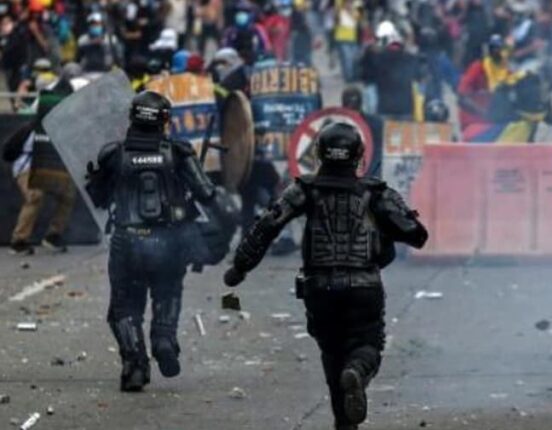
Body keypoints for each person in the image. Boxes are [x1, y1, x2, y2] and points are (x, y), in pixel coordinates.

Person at [223, 122, 428, 430]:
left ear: (319, 154)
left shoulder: (305, 189)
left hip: (319, 289)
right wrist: (388, 218)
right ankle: (357, 371)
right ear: (358, 155)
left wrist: (240, 267)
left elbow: (268, 225)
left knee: (332, 355)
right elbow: (417, 235)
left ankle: (344, 423)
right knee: (368, 346)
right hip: (364, 287)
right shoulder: (375, 192)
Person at [85, 91, 220, 392]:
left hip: (127, 241)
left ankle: (134, 366)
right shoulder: (179, 152)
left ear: (133, 117)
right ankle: (163, 339)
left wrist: (97, 178)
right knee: (167, 292)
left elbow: (99, 199)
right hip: (169, 239)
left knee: (124, 307)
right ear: (164, 120)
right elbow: (207, 193)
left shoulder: (113, 155)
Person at [5, 79, 76, 255]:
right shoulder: (30, 128)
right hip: (27, 166)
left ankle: (53, 235)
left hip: (50, 169)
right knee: (35, 195)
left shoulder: (64, 129)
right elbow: (8, 151)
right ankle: (19, 240)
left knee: (68, 194)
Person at [457, 34, 520, 132]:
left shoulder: (507, 72)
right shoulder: (478, 68)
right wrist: (485, 114)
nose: (497, 52)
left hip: (497, 123)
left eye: (499, 49)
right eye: (494, 48)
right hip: (474, 123)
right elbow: (462, 98)